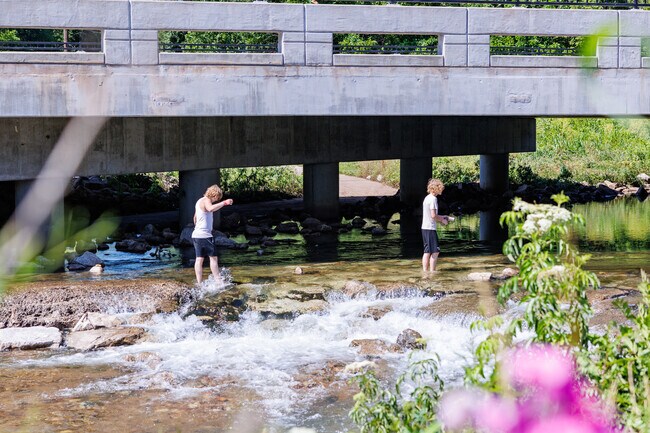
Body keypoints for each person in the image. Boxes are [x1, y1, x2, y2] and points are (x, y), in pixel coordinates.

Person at [192, 184, 233, 284]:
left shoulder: (199, 201)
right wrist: (224, 203)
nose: (216, 201)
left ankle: (199, 282)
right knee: (213, 258)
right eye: (217, 198)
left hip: (196, 234)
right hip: (205, 235)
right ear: (214, 195)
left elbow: (195, 218)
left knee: (199, 259)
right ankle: (218, 280)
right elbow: (210, 209)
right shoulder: (207, 200)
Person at [421, 178, 449, 272]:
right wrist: (442, 220)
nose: (442, 189)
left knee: (427, 251)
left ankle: (425, 272)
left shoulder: (427, 198)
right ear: (435, 188)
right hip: (430, 228)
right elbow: (433, 216)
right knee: (435, 251)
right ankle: (432, 272)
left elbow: (431, 215)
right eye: (440, 187)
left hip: (425, 227)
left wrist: (443, 216)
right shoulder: (433, 199)